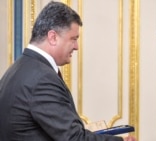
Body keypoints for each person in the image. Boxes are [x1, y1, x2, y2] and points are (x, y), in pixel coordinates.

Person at [0, 1, 136, 141]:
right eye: (73, 39)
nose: (76, 47)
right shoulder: (42, 79)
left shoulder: (18, 68)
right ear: (53, 37)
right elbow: (73, 138)